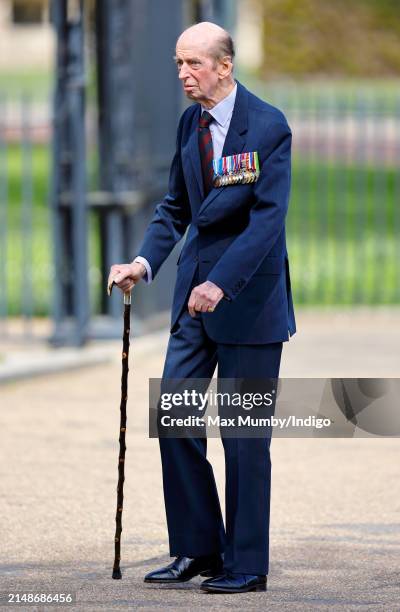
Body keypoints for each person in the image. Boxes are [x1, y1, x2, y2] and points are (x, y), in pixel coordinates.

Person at [108, 21, 296, 594]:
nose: (185, 74)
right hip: (194, 302)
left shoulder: (267, 126)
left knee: (243, 439)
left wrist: (221, 283)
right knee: (176, 421)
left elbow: (267, 221)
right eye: (178, 63)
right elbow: (175, 207)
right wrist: (144, 263)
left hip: (249, 302)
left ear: (225, 65)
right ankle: (197, 549)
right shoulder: (191, 123)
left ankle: (246, 564)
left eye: (194, 63)